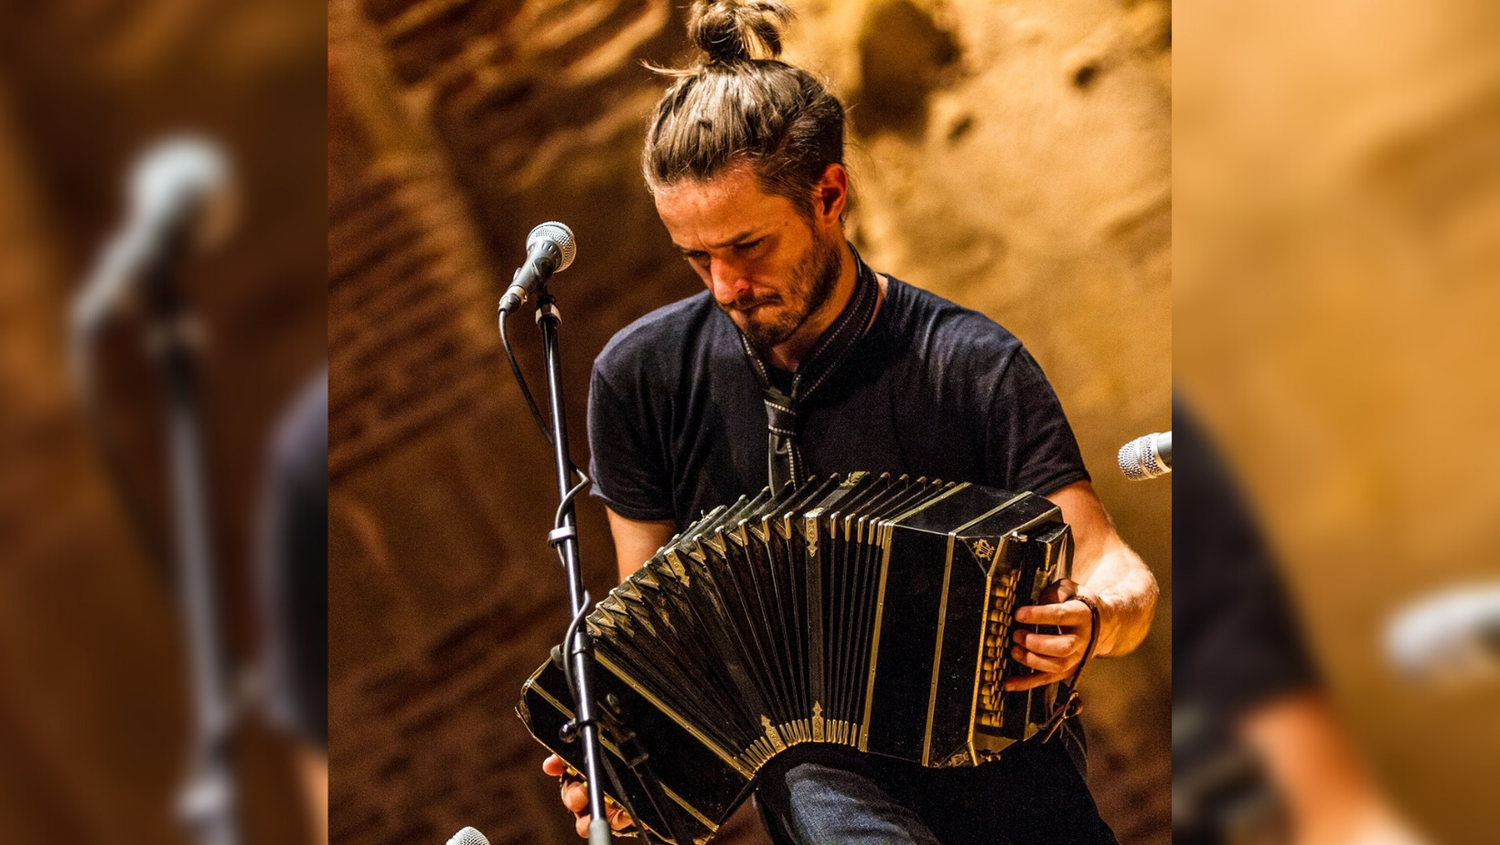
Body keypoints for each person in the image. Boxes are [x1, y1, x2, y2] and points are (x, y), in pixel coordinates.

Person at [542, 2, 1159, 841]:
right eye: (697, 258)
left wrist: (1097, 616)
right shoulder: (639, 380)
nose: (724, 286)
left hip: (1013, 785)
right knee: (819, 781)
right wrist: (621, 771)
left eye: (748, 246)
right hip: (825, 796)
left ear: (829, 194)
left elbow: (1109, 565)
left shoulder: (969, 361)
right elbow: (656, 637)